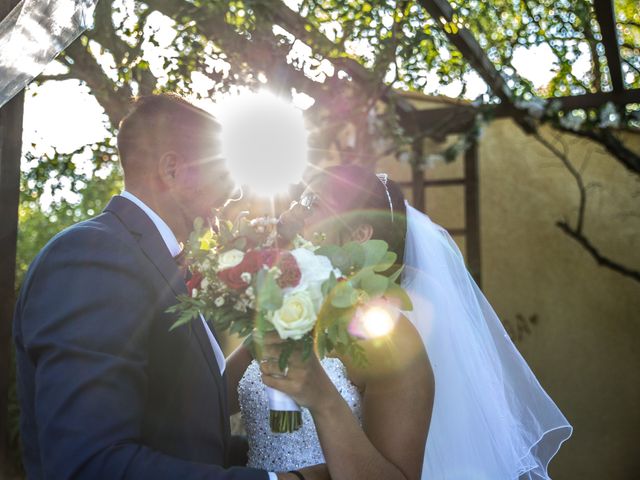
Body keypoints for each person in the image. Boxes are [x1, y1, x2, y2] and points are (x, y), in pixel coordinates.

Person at [12, 93, 309, 480]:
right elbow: (90, 464)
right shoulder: (95, 258)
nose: (233, 195)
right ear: (172, 170)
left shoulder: (148, 260)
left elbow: (181, 427)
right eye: (224, 178)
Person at [230, 164, 572, 480]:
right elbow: (207, 403)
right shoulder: (276, 316)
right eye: (298, 198)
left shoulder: (389, 338)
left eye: (311, 201)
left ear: (359, 234)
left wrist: (324, 400)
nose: (292, 212)